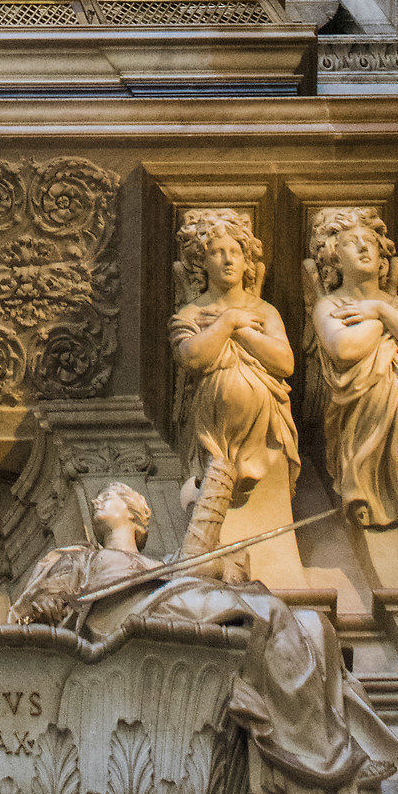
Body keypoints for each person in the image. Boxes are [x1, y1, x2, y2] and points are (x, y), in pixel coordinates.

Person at [9, 480, 398, 794]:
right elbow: (34, 609)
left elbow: (202, 574)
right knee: (270, 614)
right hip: (124, 620)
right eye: (100, 496)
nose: (99, 500)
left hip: (168, 606)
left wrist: (222, 570)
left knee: (313, 626)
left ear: (138, 514)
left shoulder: (164, 565)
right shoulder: (76, 557)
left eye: (113, 495)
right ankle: (328, 766)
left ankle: (322, 752)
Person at [170, 206, 299, 557]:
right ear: (201, 263)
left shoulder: (265, 311)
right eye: (216, 252)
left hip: (264, 431)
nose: (227, 259)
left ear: (247, 262)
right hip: (211, 435)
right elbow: (192, 357)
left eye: (236, 252)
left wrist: (237, 326)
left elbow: (284, 362)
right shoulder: (190, 312)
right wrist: (226, 323)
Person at [304, 208, 398, 529]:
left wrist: (381, 310)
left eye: (370, 241)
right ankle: (363, 489)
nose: (364, 247)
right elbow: (345, 349)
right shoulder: (331, 305)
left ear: (382, 254)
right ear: (334, 257)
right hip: (360, 412)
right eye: (352, 243)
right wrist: (385, 322)